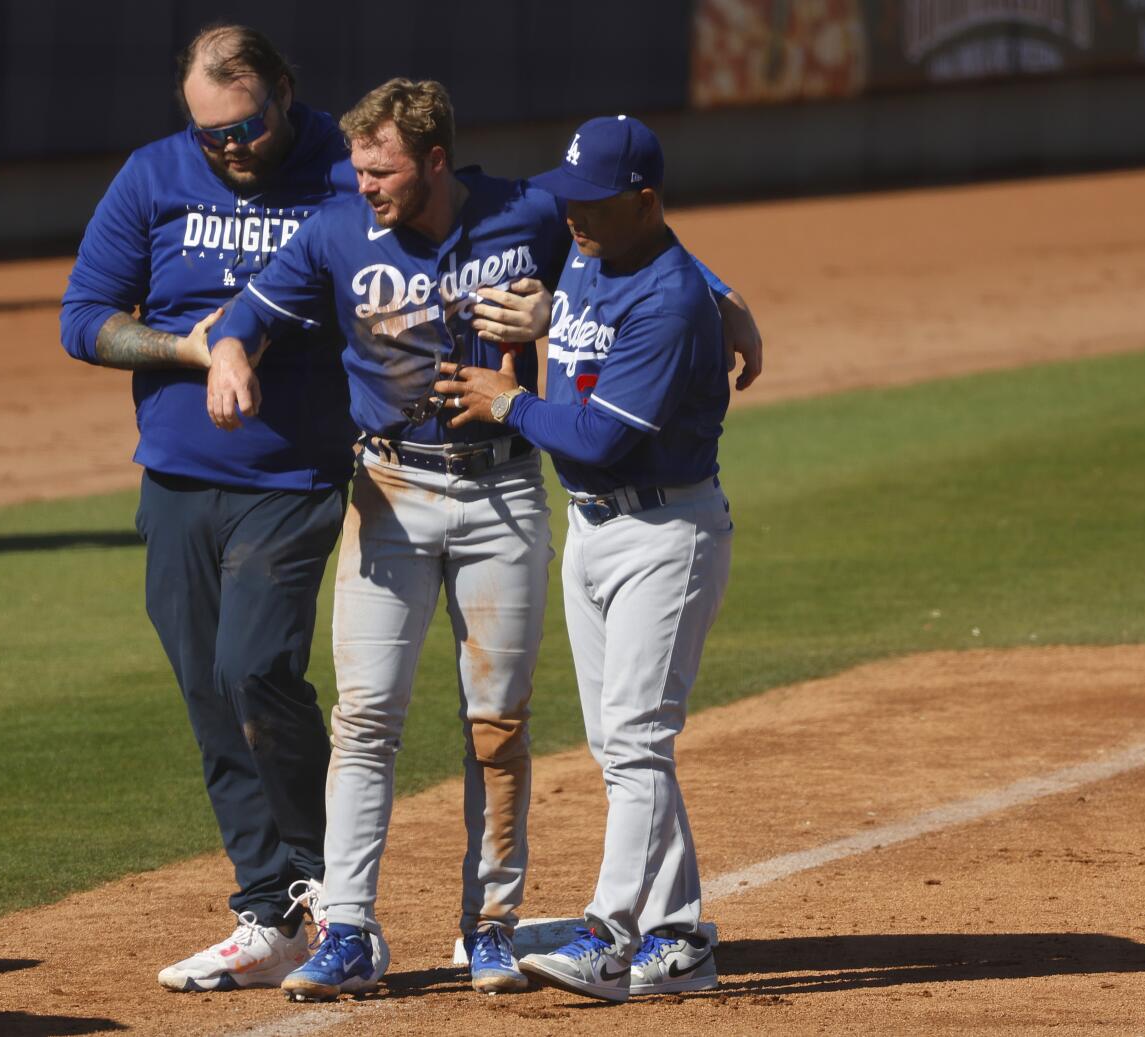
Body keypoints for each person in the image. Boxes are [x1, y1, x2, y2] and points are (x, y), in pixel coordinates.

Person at [206, 79, 760, 1002]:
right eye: (356, 165)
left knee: (499, 726)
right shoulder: (339, 230)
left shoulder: (529, 212)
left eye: (381, 168)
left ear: (433, 161)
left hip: (505, 488)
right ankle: (349, 927)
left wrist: (723, 295)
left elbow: (639, 242)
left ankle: (490, 926)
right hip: (388, 487)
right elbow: (249, 319)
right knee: (366, 719)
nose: (363, 182)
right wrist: (228, 354)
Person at [58, 24, 361, 993]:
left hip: (297, 473)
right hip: (180, 478)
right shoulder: (153, 177)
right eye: (210, 135)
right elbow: (84, 319)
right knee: (206, 687)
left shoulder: (342, 170)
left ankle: (332, 891)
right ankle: (265, 905)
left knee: (256, 665)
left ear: (284, 89)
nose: (230, 148)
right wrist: (187, 350)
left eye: (246, 126)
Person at [434, 114, 751, 1002]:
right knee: (620, 743)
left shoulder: (669, 301)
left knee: (641, 741)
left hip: (664, 536)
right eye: (566, 196)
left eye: (590, 201)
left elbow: (600, 438)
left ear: (644, 200)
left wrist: (507, 401)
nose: (569, 213)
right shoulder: (592, 245)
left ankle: (610, 938)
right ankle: (682, 938)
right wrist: (740, 302)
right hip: (594, 532)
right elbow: (634, 278)